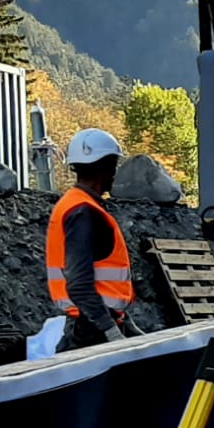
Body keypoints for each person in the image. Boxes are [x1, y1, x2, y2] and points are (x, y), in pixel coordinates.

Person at [46, 129, 143, 352]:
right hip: (91, 329)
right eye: (113, 167)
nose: (114, 174)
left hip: (91, 321)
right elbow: (79, 285)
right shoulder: (83, 212)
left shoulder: (74, 204)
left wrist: (124, 324)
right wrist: (110, 331)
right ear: (105, 168)